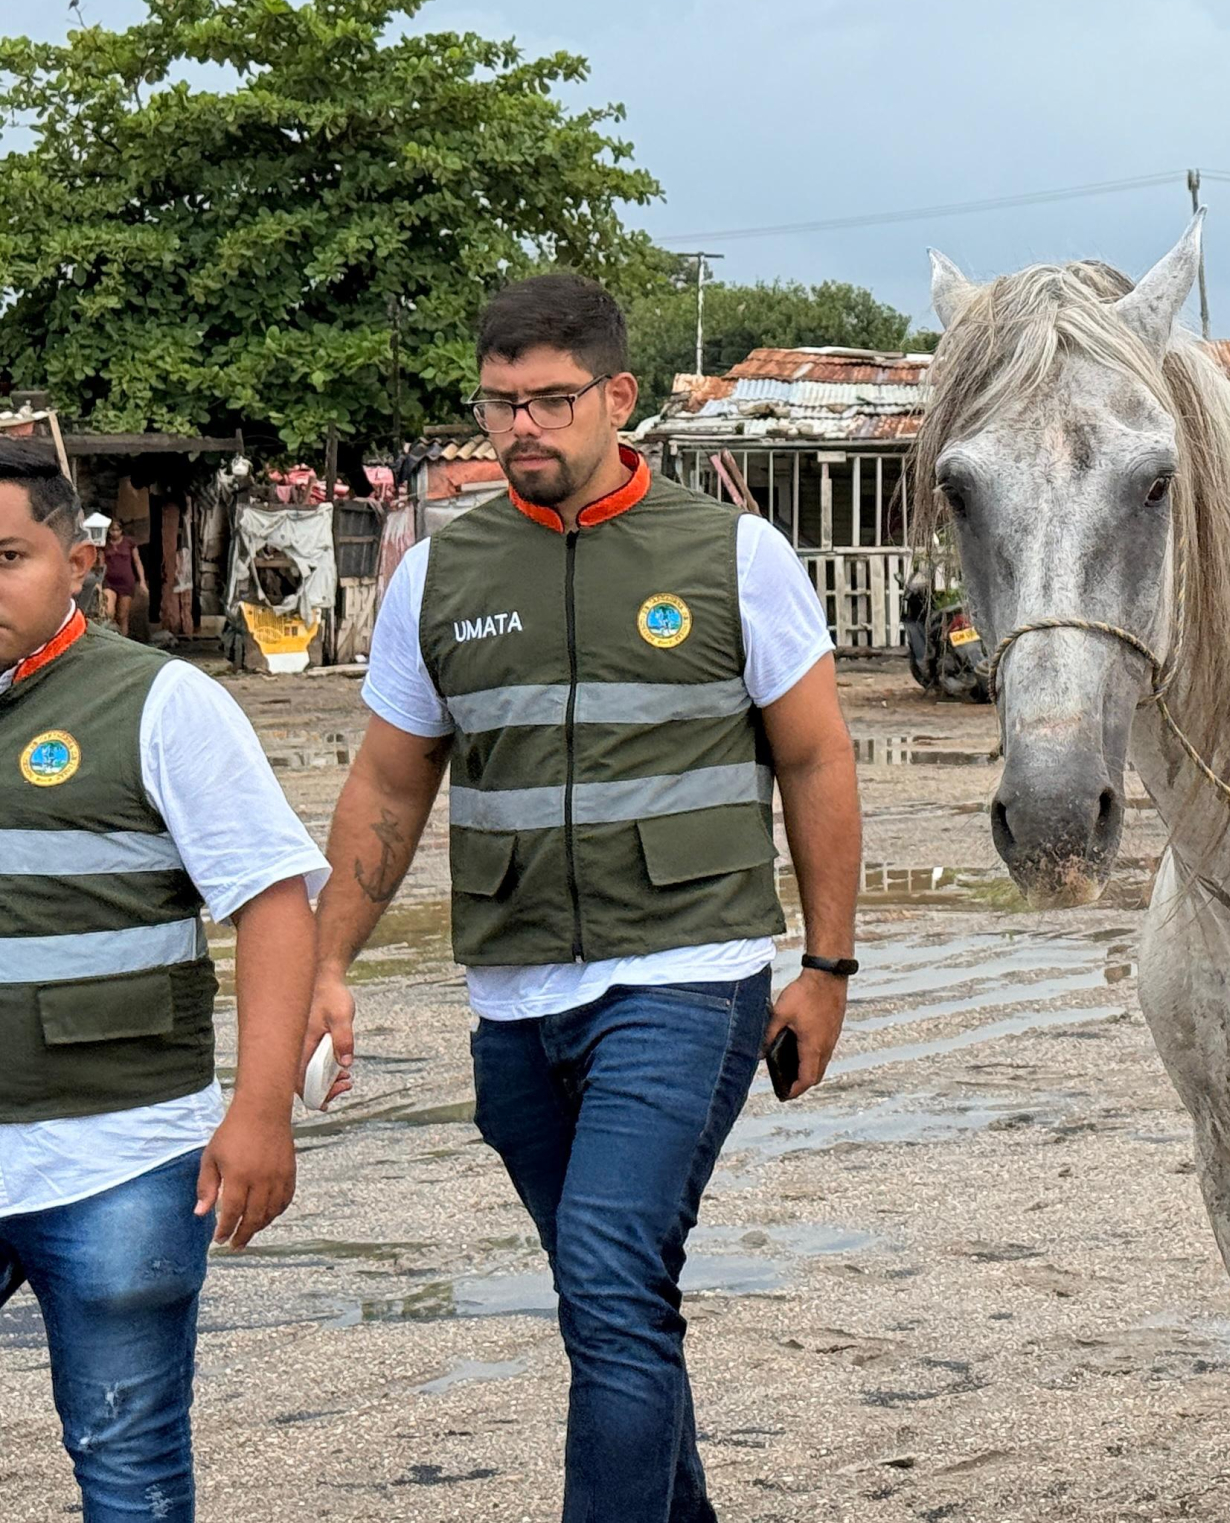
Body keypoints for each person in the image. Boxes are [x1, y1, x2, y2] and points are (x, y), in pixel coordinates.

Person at [305, 275, 865, 1523]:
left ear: (618, 397)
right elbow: (389, 786)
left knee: (610, 1279)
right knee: (611, 1299)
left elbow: (818, 755)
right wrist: (328, 962)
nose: (523, 428)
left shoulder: (732, 555)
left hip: (683, 978)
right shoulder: (438, 576)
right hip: (515, 1003)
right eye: (501, 403)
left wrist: (827, 967)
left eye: (553, 400)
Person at [0, 442, 321, 1523]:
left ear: (80, 561)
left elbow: (274, 906)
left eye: (6, 556)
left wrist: (260, 1110)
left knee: (128, 1467)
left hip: (118, 1158)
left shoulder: (162, 704)